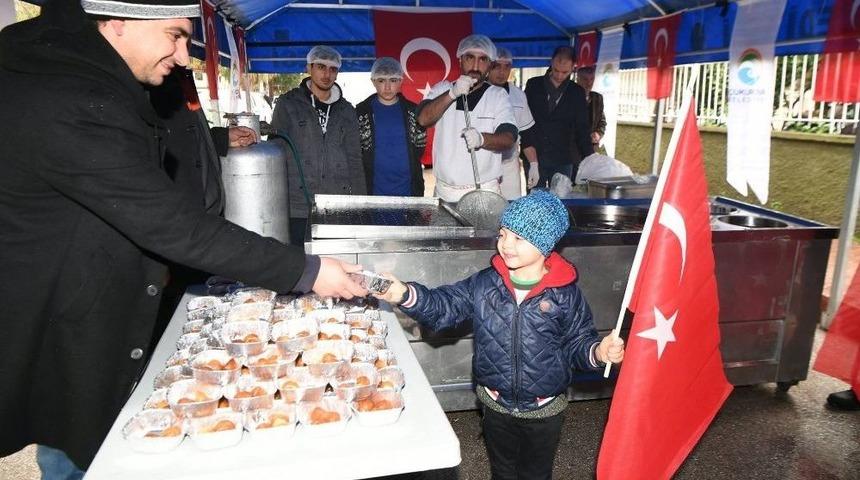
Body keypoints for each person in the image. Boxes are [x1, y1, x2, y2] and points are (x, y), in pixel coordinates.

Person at [0, 1, 366, 476]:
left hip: (90, 289)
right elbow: (169, 223)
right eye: (174, 35)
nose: (181, 54)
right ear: (117, 20)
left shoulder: (84, 71)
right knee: (83, 444)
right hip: (63, 313)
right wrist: (308, 270)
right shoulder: (66, 93)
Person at [375, 190, 625, 480]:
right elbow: (445, 306)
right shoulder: (485, 284)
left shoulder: (565, 295)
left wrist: (598, 352)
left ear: (545, 244)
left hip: (544, 410)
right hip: (495, 403)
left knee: (535, 473)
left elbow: (578, 343)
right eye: (503, 234)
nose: (506, 244)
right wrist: (406, 294)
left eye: (518, 238)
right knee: (502, 471)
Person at [270, 45, 366, 244]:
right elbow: (276, 152)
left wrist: (359, 206)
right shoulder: (288, 104)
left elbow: (355, 159)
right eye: (321, 66)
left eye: (333, 69)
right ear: (309, 68)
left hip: (337, 203)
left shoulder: (346, 110)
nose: (326, 74)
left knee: (334, 261)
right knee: (300, 264)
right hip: (298, 204)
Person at [416, 34, 517, 203]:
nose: (476, 66)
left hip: (484, 193)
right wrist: (451, 94)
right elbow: (423, 119)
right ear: (460, 60)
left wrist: (482, 139)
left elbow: (509, 138)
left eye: (483, 59)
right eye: (470, 58)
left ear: (490, 64)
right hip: (445, 193)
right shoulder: (442, 88)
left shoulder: (497, 95)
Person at [524, 46, 594, 188]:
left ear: (573, 67)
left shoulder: (576, 92)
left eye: (565, 72)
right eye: (556, 70)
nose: (560, 76)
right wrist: (530, 157)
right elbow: (525, 121)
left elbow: (582, 128)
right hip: (535, 155)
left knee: (562, 201)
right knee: (536, 203)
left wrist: (590, 159)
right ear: (551, 62)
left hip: (563, 157)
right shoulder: (534, 85)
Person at [356, 57, 426, 196]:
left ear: (401, 81)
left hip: (409, 191)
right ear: (373, 81)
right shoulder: (360, 113)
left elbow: (419, 148)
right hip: (372, 192)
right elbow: (357, 152)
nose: (387, 87)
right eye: (381, 80)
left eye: (393, 80)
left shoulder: (414, 112)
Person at [487, 47, 539, 199]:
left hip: (509, 166)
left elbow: (527, 134)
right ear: (488, 66)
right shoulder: (476, 92)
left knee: (510, 211)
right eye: (497, 66)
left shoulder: (518, 96)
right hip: (484, 165)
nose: (502, 72)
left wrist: (534, 165)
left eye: (507, 67)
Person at [575, 65, 606, 152]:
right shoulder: (569, 98)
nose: (589, 83)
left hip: (591, 148)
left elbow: (602, 122)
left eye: (592, 79)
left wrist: (598, 134)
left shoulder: (598, 98)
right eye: (585, 79)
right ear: (578, 80)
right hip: (573, 149)